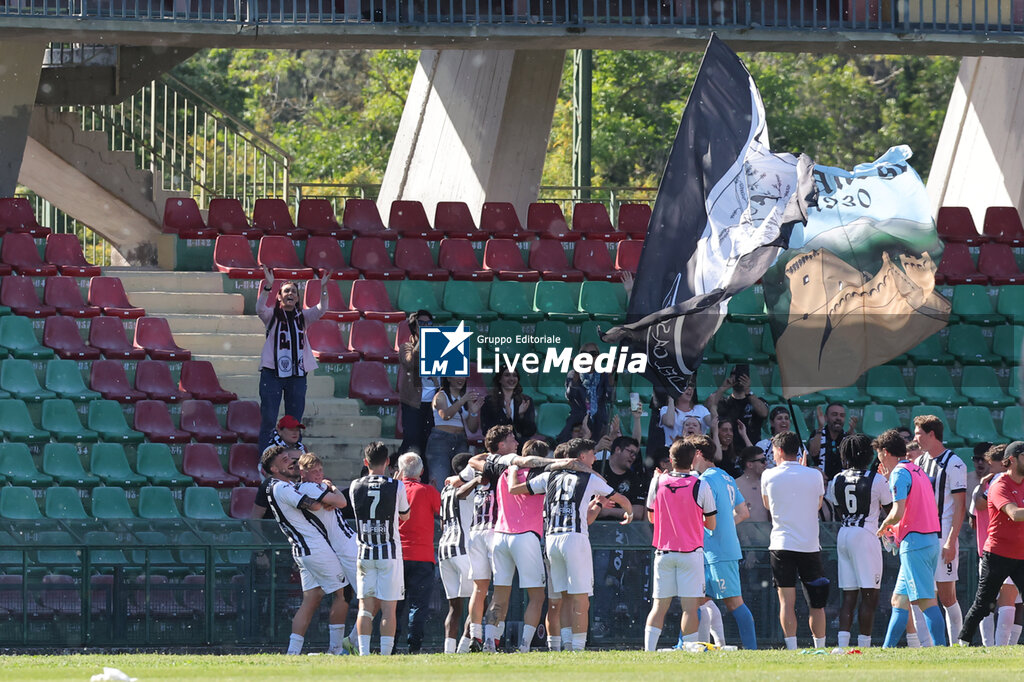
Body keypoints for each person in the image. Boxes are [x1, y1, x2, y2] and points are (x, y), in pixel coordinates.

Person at [512, 437, 634, 652]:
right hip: (574, 538)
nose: (595, 459)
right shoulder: (589, 477)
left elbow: (515, 490)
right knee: (581, 598)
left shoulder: (549, 475)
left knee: (560, 598)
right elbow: (622, 500)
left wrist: (513, 466)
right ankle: (577, 648)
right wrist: (630, 513)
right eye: (592, 454)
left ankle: (561, 647)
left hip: (551, 540)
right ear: (581, 457)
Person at [262, 446, 349, 655]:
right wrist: (327, 493)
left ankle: (293, 652)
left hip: (302, 550)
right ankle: (336, 650)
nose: (290, 462)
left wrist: (322, 490)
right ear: (273, 468)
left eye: (289, 458)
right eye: (284, 461)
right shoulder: (282, 488)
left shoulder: (279, 486)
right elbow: (315, 506)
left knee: (312, 598)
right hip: (314, 548)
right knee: (344, 594)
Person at [873, 428, 947, 648]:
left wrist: (883, 526)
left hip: (915, 544)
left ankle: (942, 652)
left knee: (926, 601)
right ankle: (886, 651)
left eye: (879, 453)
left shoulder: (899, 473)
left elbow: (897, 512)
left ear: (885, 452)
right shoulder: (917, 470)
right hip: (927, 541)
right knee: (899, 601)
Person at [642, 437, 717, 651]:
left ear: (670, 459)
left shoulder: (657, 481)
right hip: (691, 553)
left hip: (663, 552)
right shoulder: (700, 484)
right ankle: (690, 650)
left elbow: (651, 518)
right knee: (690, 609)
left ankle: (648, 652)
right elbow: (711, 523)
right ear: (693, 458)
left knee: (659, 606)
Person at [760, 431, 828, 650]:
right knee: (816, 604)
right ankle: (820, 646)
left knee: (786, 602)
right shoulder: (815, 475)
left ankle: (791, 647)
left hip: (781, 545)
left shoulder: (768, 475)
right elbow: (818, 505)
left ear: (779, 451)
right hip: (809, 545)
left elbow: (768, 505)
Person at [825, 434, 893, 649]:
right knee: (870, 595)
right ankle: (864, 645)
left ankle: (843, 645)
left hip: (844, 533)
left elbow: (837, 507)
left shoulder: (836, 479)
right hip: (866, 535)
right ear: (869, 454)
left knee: (848, 595)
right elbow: (892, 511)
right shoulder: (877, 479)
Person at [691, 434, 757, 649]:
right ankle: (694, 646)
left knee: (734, 603)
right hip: (716, 549)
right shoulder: (726, 476)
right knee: (698, 601)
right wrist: (726, 526)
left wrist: (716, 529)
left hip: (717, 552)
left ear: (698, 454)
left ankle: (752, 651)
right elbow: (744, 512)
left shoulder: (705, 480)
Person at [257, 267, 329, 452]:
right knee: (269, 419)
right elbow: (259, 308)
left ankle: (294, 460)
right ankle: (265, 461)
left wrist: (323, 288)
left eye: (294, 292)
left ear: (297, 298)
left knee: (294, 422)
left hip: (297, 375)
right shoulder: (271, 315)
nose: (290, 293)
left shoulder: (303, 317)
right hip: (272, 373)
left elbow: (322, 309)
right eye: (286, 291)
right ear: (279, 297)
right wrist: (269, 286)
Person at [349, 441, 411, 656]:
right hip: (389, 553)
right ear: (387, 462)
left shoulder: (354, 485)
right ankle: (385, 654)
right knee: (388, 608)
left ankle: (364, 653)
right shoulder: (397, 486)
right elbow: (405, 515)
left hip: (364, 553)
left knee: (365, 608)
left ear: (365, 462)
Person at [959, 441, 1024, 645]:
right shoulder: (999, 485)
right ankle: (963, 642)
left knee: (1010, 604)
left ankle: (1005, 647)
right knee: (983, 603)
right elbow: (1014, 514)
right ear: (1012, 460)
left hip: (1021, 554)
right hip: (998, 554)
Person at [912, 414, 967, 646]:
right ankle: (927, 648)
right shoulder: (919, 463)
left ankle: (959, 645)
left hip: (942, 537)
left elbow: (960, 507)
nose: (916, 439)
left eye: (918, 434)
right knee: (921, 596)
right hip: (921, 538)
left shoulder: (955, 464)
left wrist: (950, 541)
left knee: (946, 597)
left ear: (931, 434)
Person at [297, 451, 358, 655]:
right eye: (312, 471)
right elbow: (341, 502)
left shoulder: (316, 486)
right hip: (345, 546)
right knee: (369, 596)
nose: (318, 474)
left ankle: (343, 645)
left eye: (320, 470)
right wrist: (331, 490)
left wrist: (328, 490)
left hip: (346, 542)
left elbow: (336, 499)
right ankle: (349, 644)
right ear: (302, 472)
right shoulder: (307, 487)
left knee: (349, 594)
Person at [394, 452, 441, 654]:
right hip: (422, 557)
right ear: (421, 471)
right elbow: (442, 510)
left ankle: (391, 645)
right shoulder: (428, 491)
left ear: (399, 471)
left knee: (395, 605)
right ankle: (414, 647)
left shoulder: (393, 489)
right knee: (419, 605)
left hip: (397, 556)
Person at [438, 452, 476, 654]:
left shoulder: (444, 490)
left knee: (454, 607)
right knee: (479, 600)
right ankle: (463, 647)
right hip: (463, 549)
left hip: (445, 549)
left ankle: (449, 649)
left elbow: (443, 523)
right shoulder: (467, 487)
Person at [425, 376, 483, 490]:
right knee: (440, 481)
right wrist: (462, 400)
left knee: (462, 482)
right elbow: (445, 415)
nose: (461, 378)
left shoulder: (465, 398)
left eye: (463, 376)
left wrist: (473, 413)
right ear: (448, 378)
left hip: (460, 440)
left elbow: (473, 428)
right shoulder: (441, 395)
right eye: (456, 375)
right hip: (440, 441)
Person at [398, 310, 438, 456]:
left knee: (429, 443)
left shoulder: (439, 347)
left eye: (429, 324)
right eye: (422, 324)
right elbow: (410, 362)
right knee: (413, 442)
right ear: (414, 327)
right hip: (414, 402)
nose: (426, 326)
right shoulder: (406, 347)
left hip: (434, 403)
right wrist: (423, 340)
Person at [558, 344, 613, 443]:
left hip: (598, 419)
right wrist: (576, 373)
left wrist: (610, 378)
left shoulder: (604, 375)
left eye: (593, 353)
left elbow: (610, 397)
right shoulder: (573, 374)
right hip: (579, 419)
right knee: (567, 437)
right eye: (584, 354)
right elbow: (571, 396)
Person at [480, 364, 537, 446]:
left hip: (519, 447)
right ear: (499, 379)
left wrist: (520, 416)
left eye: (514, 375)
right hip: (498, 447)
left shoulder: (525, 401)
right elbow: (486, 430)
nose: (511, 379)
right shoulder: (489, 401)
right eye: (507, 375)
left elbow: (530, 431)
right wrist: (507, 417)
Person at [713, 366, 768, 448]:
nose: (739, 378)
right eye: (735, 374)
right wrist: (722, 389)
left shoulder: (756, 400)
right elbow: (707, 408)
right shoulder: (723, 402)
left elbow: (764, 413)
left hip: (752, 449)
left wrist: (748, 391)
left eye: (743, 375)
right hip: (729, 450)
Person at [596, 436, 646, 522]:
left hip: (621, 530)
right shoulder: (596, 468)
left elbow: (638, 513)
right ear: (617, 449)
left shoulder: (635, 479)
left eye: (635, 455)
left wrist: (608, 512)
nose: (633, 457)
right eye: (631, 452)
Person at [806, 403, 857, 482]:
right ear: (826, 417)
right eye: (834, 414)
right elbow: (813, 452)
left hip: (841, 484)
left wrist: (851, 435)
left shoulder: (847, 436)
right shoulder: (818, 434)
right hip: (822, 483)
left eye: (842, 415)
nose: (838, 418)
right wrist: (820, 428)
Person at [658, 380, 711, 445]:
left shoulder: (701, 409)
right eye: (685, 386)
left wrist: (713, 405)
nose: (690, 388)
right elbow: (669, 423)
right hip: (673, 450)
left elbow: (712, 423)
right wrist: (671, 396)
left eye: (692, 386)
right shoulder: (666, 409)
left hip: (697, 450)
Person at [736, 446, 770, 523]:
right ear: (750, 465)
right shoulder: (735, 486)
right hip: (743, 532)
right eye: (762, 461)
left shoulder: (767, 486)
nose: (766, 463)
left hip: (765, 532)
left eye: (765, 460)